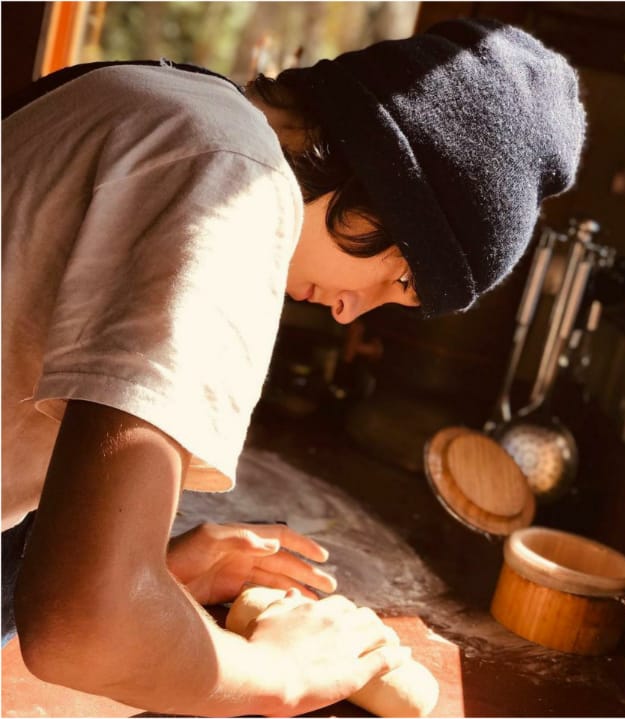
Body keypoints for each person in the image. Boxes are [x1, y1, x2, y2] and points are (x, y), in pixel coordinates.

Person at [1, 17, 584, 716]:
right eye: (402, 281)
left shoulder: (165, 98)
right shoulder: (235, 184)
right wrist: (276, 671)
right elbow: (82, 630)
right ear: (392, 190)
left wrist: (146, 576)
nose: (349, 310)